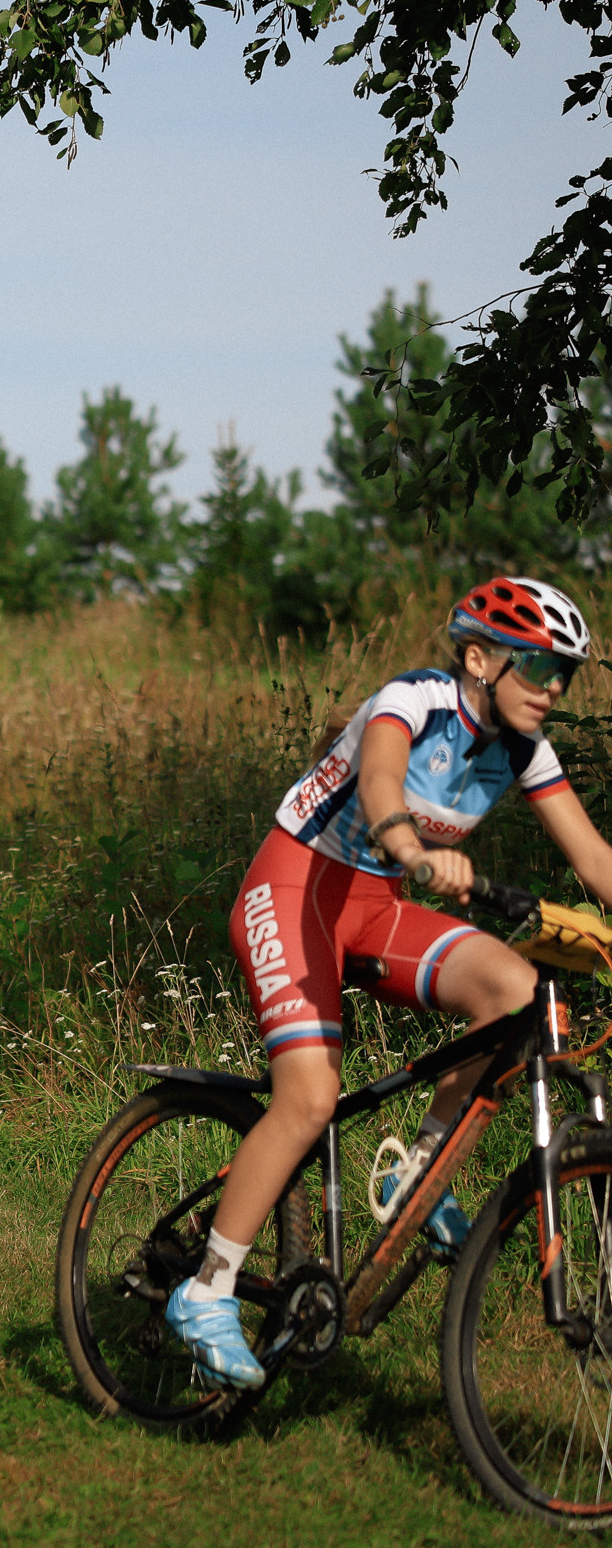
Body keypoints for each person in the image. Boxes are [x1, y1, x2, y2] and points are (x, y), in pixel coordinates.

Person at [164, 577, 612, 1390]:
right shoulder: (415, 700)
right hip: (295, 886)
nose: (552, 691)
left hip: (374, 908)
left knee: (518, 993)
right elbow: (378, 784)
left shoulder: (523, 747)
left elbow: (594, 861)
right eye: (540, 668)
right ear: (479, 659)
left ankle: (418, 1170)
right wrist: (409, 847)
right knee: (308, 1097)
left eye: (565, 675)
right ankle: (207, 1289)